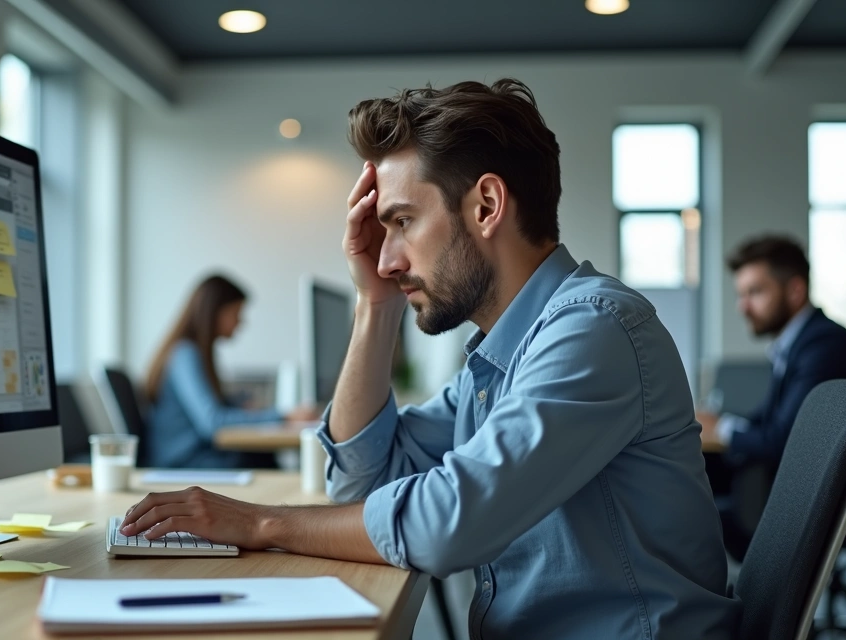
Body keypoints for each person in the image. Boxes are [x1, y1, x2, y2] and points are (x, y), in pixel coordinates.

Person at [122, 80, 739, 638]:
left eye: (403, 221)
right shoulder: (499, 359)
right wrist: (376, 306)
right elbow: (361, 480)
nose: (386, 258)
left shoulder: (593, 330)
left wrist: (263, 524)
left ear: (487, 207)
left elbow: (446, 523)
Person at [697, 236, 846, 558]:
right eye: (741, 294)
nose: (743, 306)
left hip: (840, 502)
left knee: (693, 511)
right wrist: (717, 423)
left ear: (795, 290)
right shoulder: (800, 343)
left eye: (755, 292)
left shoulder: (823, 347)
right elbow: (769, 418)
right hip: (816, 490)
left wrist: (721, 430)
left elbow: (784, 439)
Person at [144, 274, 318, 469]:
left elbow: (212, 408)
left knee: (262, 457)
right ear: (215, 312)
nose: (240, 322)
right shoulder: (185, 354)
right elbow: (213, 422)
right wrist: (284, 416)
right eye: (236, 313)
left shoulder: (194, 353)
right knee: (260, 460)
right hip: (183, 461)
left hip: (197, 454)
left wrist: (238, 402)